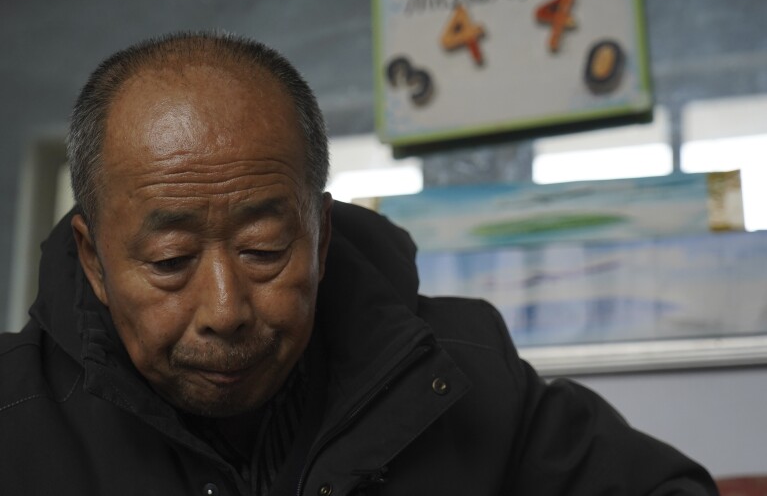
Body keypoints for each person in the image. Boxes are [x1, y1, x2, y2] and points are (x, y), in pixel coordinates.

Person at [0, 32, 717, 496]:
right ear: (93, 259)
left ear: (319, 231)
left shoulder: (456, 371)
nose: (224, 308)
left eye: (263, 250)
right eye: (171, 259)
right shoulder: (14, 417)